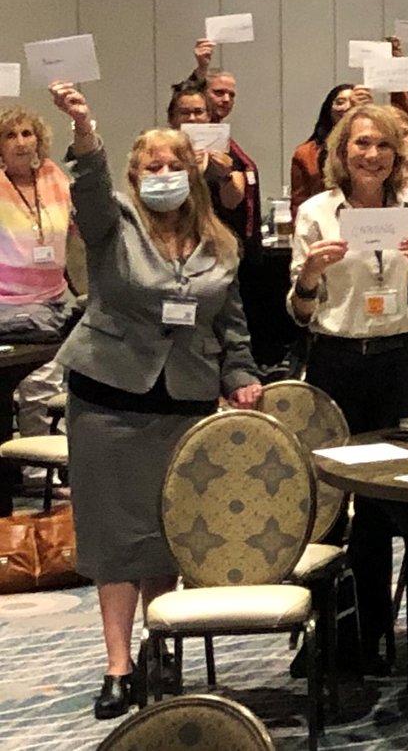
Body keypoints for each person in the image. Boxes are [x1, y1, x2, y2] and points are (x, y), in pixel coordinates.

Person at [48, 83, 261, 719]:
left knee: (168, 533)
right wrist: (86, 130)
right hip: (109, 397)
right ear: (136, 176)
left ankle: (158, 644)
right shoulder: (113, 221)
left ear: (193, 171)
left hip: (185, 399)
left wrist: (241, 376)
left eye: (174, 166)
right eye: (152, 167)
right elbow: (87, 186)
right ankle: (117, 667)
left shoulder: (221, 243)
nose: (164, 176)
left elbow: (231, 326)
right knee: (116, 536)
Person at [288, 102, 408, 674]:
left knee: (391, 501)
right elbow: (301, 313)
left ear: (397, 154)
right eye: (360, 145)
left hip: (401, 361)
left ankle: (381, 631)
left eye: (382, 145)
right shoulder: (316, 213)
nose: (372, 154)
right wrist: (309, 277)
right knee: (333, 504)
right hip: (337, 362)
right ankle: (333, 633)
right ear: (340, 154)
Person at [0, 106, 74, 341]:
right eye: (10, 136)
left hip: (55, 299)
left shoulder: (53, 175)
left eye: (27, 133)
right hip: (8, 305)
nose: (20, 142)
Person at [188, 39, 262, 250]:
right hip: (207, 242)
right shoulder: (194, 136)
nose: (227, 99)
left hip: (237, 241)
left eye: (231, 95)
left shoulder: (222, 137)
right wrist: (201, 70)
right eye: (219, 93)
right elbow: (185, 98)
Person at [291, 84, 359, 210]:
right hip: (322, 221)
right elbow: (298, 203)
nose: (348, 107)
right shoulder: (305, 153)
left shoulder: (371, 151)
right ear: (329, 108)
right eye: (340, 102)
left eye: (354, 103)